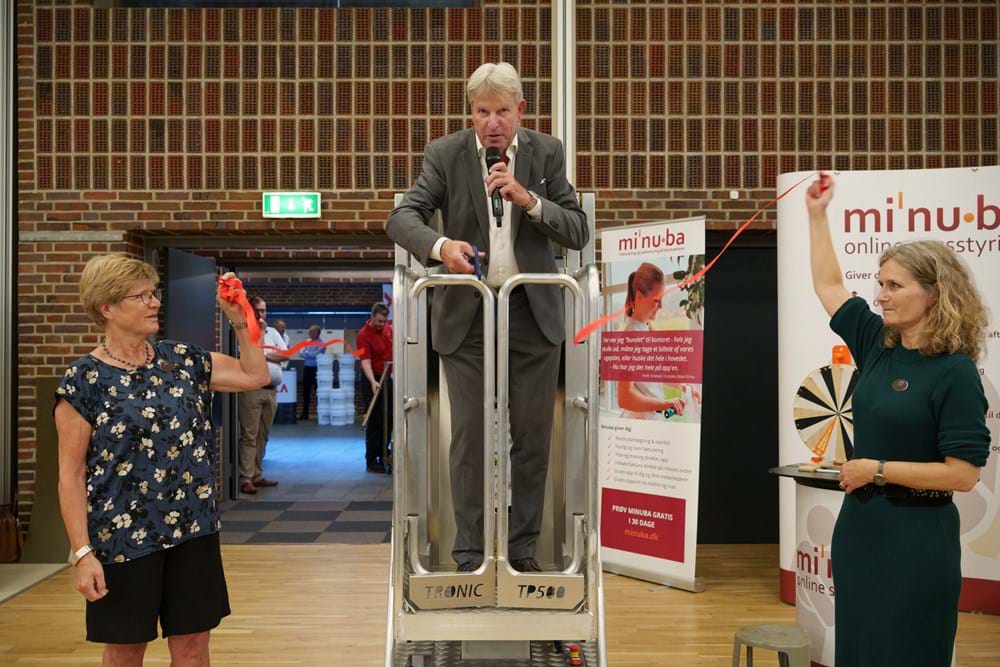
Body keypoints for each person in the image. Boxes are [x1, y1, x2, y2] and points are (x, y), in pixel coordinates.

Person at [386, 62, 589, 573]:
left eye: (502, 111)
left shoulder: (547, 153)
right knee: (470, 439)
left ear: (520, 110)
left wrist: (530, 199)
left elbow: (577, 229)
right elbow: (401, 218)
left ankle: (522, 553)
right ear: (470, 114)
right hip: (467, 316)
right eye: (482, 112)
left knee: (533, 438)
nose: (492, 122)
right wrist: (441, 246)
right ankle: (470, 554)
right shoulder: (445, 154)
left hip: (531, 312)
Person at [806, 174, 990, 666]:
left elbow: (964, 473)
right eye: (880, 284)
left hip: (917, 542)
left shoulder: (954, 372)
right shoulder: (876, 345)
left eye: (894, 286)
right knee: (860, 652)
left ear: (934, 293)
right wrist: (817, 215)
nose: (881, 295)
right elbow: (828, 285)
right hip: (861, 532)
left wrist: (878, 469)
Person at [54, 254, 270, 664]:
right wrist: (82, 553)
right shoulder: (84, 379)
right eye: (142, 296)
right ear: (108, 308)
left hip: (193, 529)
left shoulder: (182, 360)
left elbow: (254, 375)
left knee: (193, 647)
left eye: (154, 293)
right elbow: (71, 473)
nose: (155, 302)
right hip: (123, 538)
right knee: (125, 650)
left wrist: (239, 320)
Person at [616, 262, 691, 420]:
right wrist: (665, 404)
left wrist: (680, 385)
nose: (661, 306)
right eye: (657, 299)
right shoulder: (631, 337)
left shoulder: (645, 328)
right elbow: (625, 398)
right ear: (639, 296)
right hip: (638, 427)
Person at [237, 296, 288, 494]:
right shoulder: (243, 331)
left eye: (263, 310)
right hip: (252, 391)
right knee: (250, 435)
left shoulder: (273, 332)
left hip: (271, 391)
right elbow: (246, 358)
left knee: (263, 436)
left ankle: (257, 474)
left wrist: (263, 354)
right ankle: (246, 477)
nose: (261, 314)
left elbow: (286, 354)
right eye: (257, 310)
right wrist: (267, 353)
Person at [357, 303, 392, 473]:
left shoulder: (388, 329)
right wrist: (372, 381)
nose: (381, 325)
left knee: (390, 416)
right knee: (375, 418)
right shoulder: (363, 335)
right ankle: (371, 459)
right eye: (379, 321)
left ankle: (384, 451)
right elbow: (365, 362)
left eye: (384, 321)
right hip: (371, 377)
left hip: (387, 376)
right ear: (372, 317)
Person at [298, 324, 324, 420]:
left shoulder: (322, 344)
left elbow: (315, 355)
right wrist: (309, 354)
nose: (310, 333)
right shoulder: (306, 341)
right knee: (305, 392)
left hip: (317, 370)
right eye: (310, 331)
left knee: (318, 393)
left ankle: (320, 414)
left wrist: (307, 354)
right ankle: (305, 414)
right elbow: (300, 353)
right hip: (307, 369)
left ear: (318, 333)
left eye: (312, 331)